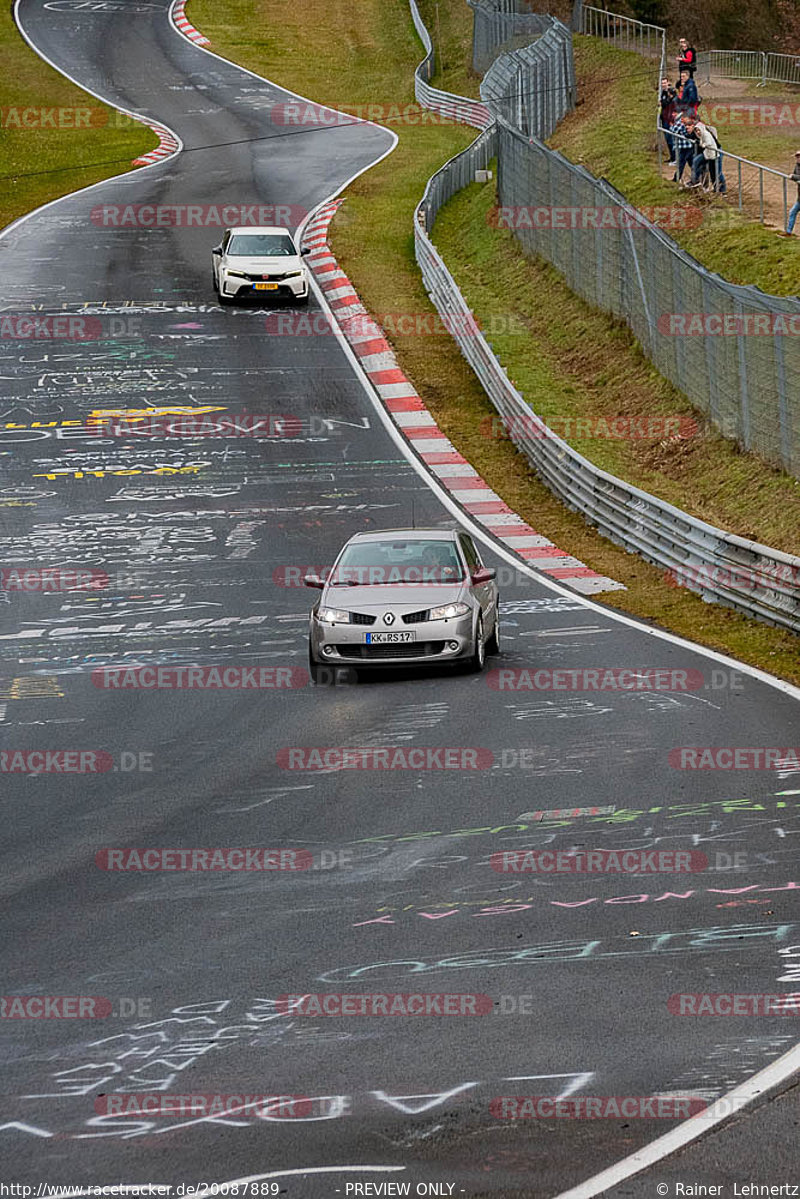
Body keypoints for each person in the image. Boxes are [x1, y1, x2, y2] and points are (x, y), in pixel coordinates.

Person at [685, 115, 720, 191]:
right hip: (705, 153)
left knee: (714, 171)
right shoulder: (698, 132)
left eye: (698, 130)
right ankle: (697, 182)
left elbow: (709, 142)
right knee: (697, 164)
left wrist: (703, 144)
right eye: (696, 130)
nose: (697, 132)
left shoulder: (705, 133)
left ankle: (719, 189)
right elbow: (691, 136)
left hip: (712, 153)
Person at [671, 111, 696, 184]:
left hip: (686, 146)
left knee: (682, 163)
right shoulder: (683, 124)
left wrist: (673, 125)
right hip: (686, 146)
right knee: (690, 163)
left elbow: (673, 130)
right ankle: (696, 177)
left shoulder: (680, 124)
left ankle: (677, 178)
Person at [779, 150, 800, 235]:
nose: (798, 158)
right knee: (792, 212)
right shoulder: (797, 166)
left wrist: (793, 176)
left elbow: (794, 176)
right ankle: (788, 232)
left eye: (799, 156)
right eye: (797, 157)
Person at [659, 78, 677, 163]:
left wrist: (662, 103)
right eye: (662, 83)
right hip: (664, 118)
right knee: (667, 139)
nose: (663, 85)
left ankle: (675, 157)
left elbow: (667, 104)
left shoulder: (671, 93)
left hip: (669, 119)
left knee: (670, 139)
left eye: (664, 83)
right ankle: (672, 156)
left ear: (668, 83)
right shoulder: (663, 93)